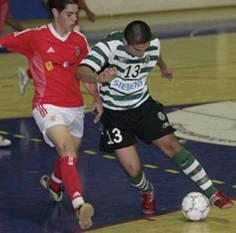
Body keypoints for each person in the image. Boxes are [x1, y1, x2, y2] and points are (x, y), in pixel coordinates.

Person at [77, 20, 233, 215]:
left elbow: (155, 54)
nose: (142, 54)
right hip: (114, 113)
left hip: (143, 106)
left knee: (172, 145)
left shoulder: (152, 45)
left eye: (145, 49)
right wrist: (99, 78)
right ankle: (147, 191)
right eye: (137, 50)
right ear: (126, 42)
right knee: (132, 170)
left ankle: (212, 192)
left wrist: (163, 67)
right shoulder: (109, 47)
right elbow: (81, 71)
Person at [0, 0, 116, 229]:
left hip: (75, 108)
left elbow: (85, 72)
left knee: (69, 157)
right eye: (70, 14)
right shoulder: (35, 36)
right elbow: (4, 40)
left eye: (76, 14)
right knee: (67, 149)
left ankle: (54, 184)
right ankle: (80, 205)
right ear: (55, 12)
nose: (75, 18)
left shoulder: (79, 40)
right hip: (47, 105)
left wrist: (96, 97)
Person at [18, 0, 96, 95]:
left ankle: (28, 74)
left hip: (72, 27)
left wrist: (88, 12)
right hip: (67, 28)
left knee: (66, 62)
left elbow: (80, 2)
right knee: (69, 62)